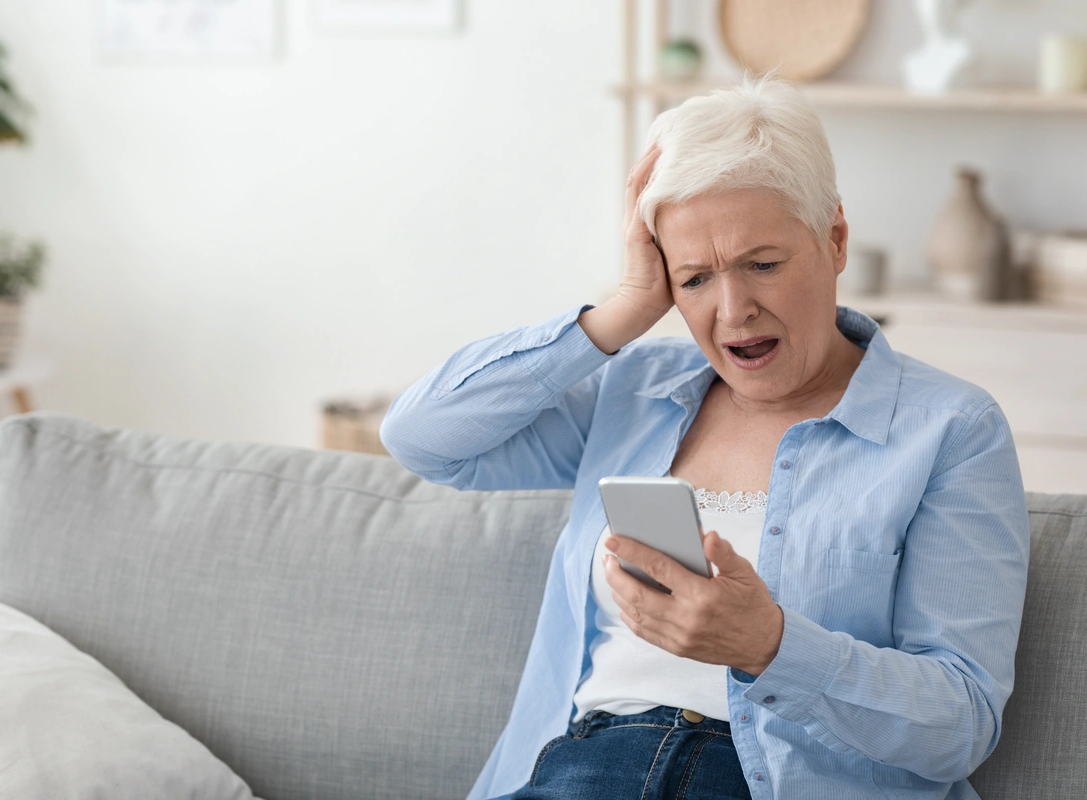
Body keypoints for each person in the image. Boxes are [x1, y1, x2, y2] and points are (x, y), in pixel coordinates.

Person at [378, 76, 1029, 800]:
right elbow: (424, 437)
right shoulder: (635, 393)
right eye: (694, 279)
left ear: (835, 240)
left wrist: (771, 646)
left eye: (763, 264)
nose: (733, 310)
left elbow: (961, 724)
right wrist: (621, 313)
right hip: (589, 767)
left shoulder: (951, 429)